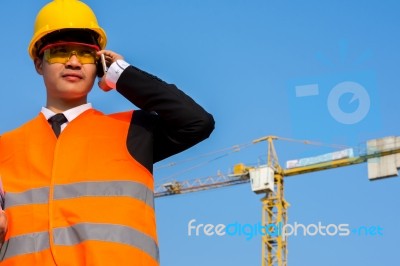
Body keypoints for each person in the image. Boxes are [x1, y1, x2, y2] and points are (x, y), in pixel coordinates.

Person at [0, 0, 214, 265]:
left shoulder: (133, 131)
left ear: (99, 63)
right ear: (38, 63)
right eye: (60, 52)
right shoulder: (4, 149)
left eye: (86, 53)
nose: (74, 62)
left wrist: (120, 74)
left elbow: (196, 122)